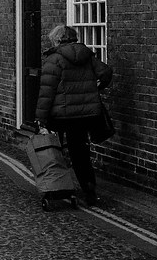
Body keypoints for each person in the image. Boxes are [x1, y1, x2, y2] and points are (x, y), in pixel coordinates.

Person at [35, 24, 113, 205]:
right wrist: (98, 88)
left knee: (53, 150)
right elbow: (106, 72)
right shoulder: (87, 56)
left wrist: (41, 119)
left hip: (60, 115)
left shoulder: (53, 59)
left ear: (57, 39)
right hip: (84, 116)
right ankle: (89, 189)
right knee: (80, 153)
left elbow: (47, 92)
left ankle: (58, 187)